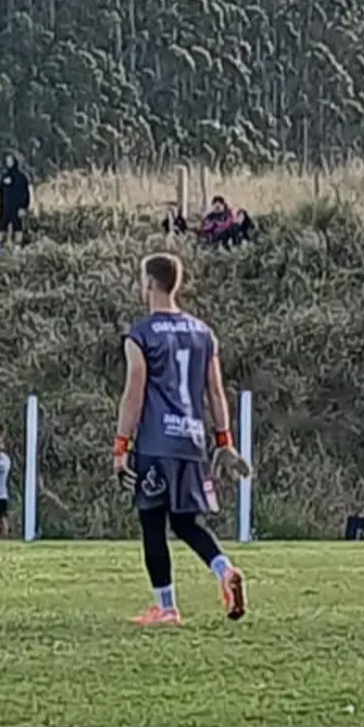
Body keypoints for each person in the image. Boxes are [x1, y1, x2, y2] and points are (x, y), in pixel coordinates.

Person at [112, 252, 250, 626]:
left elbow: (134, 392)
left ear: (148, 283)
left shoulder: (140, 334)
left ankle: (167, 607)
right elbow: (216, 391)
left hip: (156, 444)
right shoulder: (203, 333)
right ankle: (224, 569)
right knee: (187, 522)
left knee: (152, 522)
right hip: (192, 441)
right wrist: (224, 441)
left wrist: (121, 445)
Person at [0, 153, 31, 256]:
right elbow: (1, 193)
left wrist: (24, 207)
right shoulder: (3, 177)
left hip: (17, 208)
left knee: (18, 229)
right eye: (7, 161)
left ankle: (17, 250)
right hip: (5, 208)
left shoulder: (22, 177)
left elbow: (26, 193)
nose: (8, 163)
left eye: (11, 161)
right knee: (0, 229)